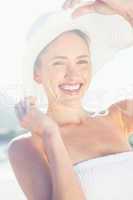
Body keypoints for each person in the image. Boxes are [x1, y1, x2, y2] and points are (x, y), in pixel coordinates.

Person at [8, 0, 133, 199]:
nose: (73, 74)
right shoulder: (27, 146)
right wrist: (51, 133)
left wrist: (128, 10)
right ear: (37, 73)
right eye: (59, 63)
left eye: (82, 61)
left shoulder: (120, 116)